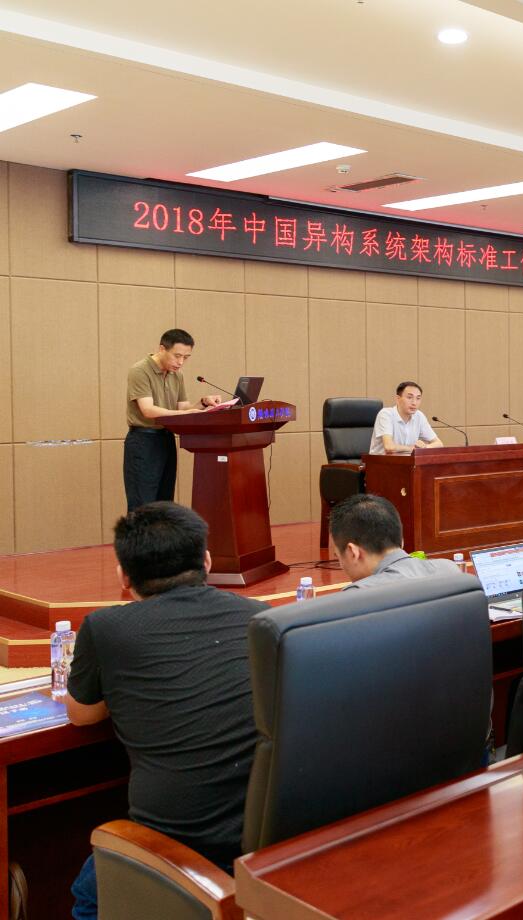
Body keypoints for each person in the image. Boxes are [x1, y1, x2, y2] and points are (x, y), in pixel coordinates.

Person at [65, 503, 269, 919]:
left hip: (181, 844)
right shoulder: (259, 616)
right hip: (264, 836)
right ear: (206, 561)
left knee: (89, 897)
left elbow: (81, 715)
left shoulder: (105, 628)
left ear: (124, 576)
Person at [123, 329, 222, 511]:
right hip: (143, 441)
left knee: (164, 502)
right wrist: (187, 414)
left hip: (166, 439)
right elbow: (148, 410)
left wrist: (202, 403)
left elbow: (183, 408)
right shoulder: (140, 370)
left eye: (186, 357)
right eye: (177, 356)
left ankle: (162, 532)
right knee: (142, 504)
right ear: (162, 349)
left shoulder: (177, 375)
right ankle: (140, 532)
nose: (181, 362)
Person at [330, 494, 460, 589]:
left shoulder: (357, 595)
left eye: (338, 557)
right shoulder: (450, 569)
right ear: (401, 542)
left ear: (353, 552)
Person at [369, 381, 444, 455]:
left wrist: (424, 447)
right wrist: (414, 448)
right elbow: (389, 447)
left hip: (406, 461)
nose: (414, 403)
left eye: (418, 398)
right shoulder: (386, 414)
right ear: (398, 399)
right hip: (380, 461)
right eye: (409, 397)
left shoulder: (419, 416)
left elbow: (439, 444)